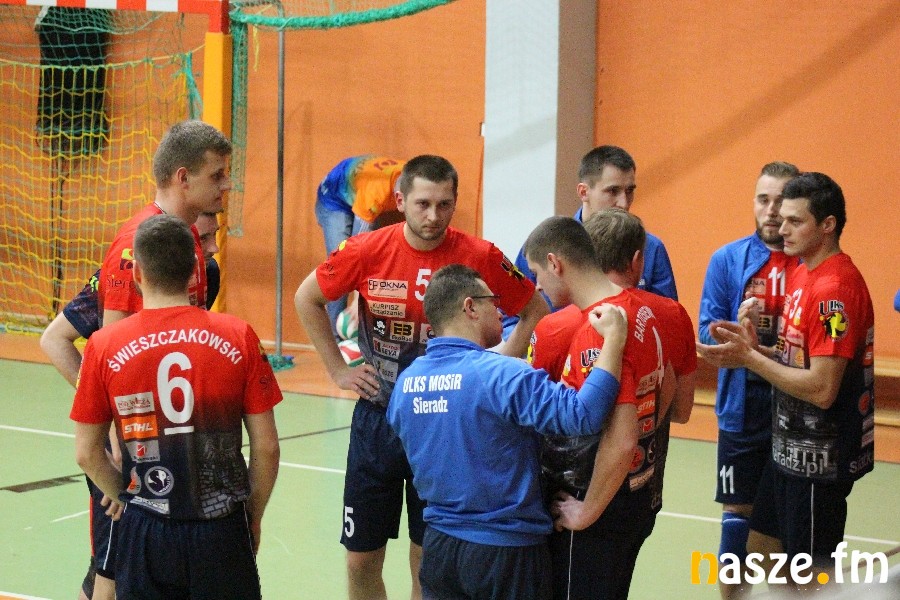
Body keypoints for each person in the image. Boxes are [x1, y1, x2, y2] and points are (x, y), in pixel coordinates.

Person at [294, 154, 550, 600]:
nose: (434, 216)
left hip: (443, 424)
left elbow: (534, 310)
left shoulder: (480, 256)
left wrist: (503, 360)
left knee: (426, 558)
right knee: (360, 560)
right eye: (423, 204)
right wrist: (338, 370)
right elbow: (307, 297)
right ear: (400, 201)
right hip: (378, 419)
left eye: (444, 204)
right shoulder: (366, 250)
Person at [71, 215, 282, 599]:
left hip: (145, 528)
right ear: (194, 272)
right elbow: (266, 448)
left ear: (137, 273)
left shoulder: (103, 346)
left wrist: (126, 498)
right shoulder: (239, 335)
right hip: (221, 528)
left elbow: (87, 453)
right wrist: (252, 516)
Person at [387, 264, 627, 600]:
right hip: (505, 552)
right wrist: (614, 339)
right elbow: (583, 414)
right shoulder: (503, 375)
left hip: (439, 548)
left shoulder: (406, 383)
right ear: (470, 307)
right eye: (493, 301)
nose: (501, 310)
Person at [697, 172, 875, 592]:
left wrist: (751, 360)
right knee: (760, 550)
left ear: (827, 225)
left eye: (796, 221)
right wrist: (754, 347)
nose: (782, 227)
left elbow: (822, 388)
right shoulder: (804, 274)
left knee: (808, 582)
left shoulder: (834, 290)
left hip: (817, 463)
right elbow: (798, 357)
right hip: (787, 454)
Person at [40, 211, 221, 599]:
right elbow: (54, 339)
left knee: (145, 569)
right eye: (204, 238)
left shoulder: (208, 276)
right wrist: (109, 423)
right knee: (110, 568)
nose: (212, 248)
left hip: (170, 447)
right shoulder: (125, 269)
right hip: (127, 445)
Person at [524, 214, 693, 600]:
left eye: (537, 273)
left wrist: (587, 510)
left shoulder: (596, 331)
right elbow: (666, 386)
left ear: (555, 263)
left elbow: (621, 438)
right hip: (634, 495)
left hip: (595, 507)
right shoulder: (642, 311)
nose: (538, 286)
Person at [697, 161, 801, 599]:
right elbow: (705, 335)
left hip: (798, 407)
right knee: (737, 514)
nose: (772, 210)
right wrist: (734, 330)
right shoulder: (727, 259)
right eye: (763, 199)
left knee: (789, 522)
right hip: (743, 409)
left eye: (781, 201)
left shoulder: (811, 264)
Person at [504, 145, 678, 336]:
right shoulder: (543, 244)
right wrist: (538, 347)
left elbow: (667, 323)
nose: (624, 203)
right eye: (613, 191)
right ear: (583, 192)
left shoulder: (651, 248)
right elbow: (510, 320)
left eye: (629, 191)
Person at [100, 119, 232, 329]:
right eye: (216, 176)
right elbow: (114, 343)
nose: (227, 184)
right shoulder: (135, 243)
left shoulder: (187, 232)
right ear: (184, 178)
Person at [316, 155, 407, 339]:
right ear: (399, 197)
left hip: (358, 187)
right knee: (339, 265)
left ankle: (365, 338)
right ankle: (335, 340)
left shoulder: (412, 173)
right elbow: (358, 250)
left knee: (376, 252)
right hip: (333, 200)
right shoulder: (376, 193)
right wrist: (357, 301)